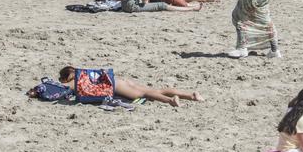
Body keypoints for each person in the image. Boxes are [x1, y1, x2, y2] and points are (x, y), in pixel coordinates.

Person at [57, 66, 203, 107]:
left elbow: (63, 88)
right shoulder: (84, 73)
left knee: (144, 95)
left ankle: (170, 101)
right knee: (153, 90)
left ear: (66, 76)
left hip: (115, 86)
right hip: (119, 80)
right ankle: (191, 95)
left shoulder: (74, 79)